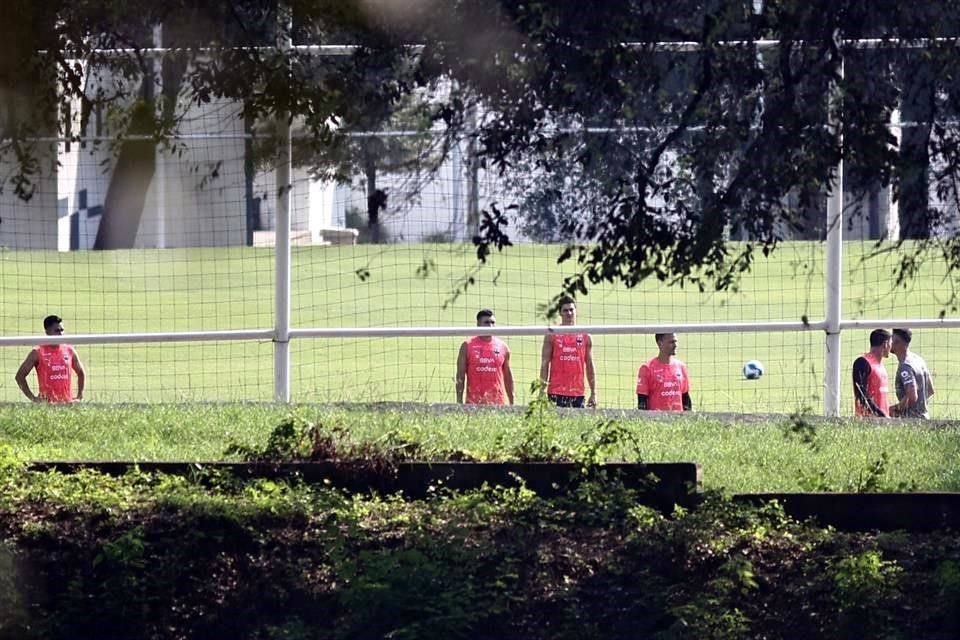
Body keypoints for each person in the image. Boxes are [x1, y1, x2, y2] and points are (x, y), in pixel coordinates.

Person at [539, 296, 596, 408]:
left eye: (571, 310)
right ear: (560, 313)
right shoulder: (552, 335)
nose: (569, 313)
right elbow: (544, 364)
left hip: (577, 393)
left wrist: (594, 393)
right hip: (556, 392)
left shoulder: (585, 335)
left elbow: (590, 365)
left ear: (576, 311)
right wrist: (541, 391)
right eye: (565, 310)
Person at [15, 315, 86, 404]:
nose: (60, 334)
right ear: (47, 332)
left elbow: (81, 373)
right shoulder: (38, 352)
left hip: (67, 405)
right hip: (47, 406)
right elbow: (19, 376)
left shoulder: (69, 350)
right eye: (56, 331)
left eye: (62, 330)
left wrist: (80, 396)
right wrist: (34, 399)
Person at [456, 309, 515, 405]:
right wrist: (459, 402)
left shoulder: (503, 347)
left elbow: (508, 376)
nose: (490, 326)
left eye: (493, 322)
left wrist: (512, 402)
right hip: (473, 403)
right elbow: (460, 376)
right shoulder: (467, 346)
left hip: (498, 404)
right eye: (486, 323)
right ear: (478, 324)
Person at [636, 332, 692, 411]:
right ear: (660, 343)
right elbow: (642, 401)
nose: (675, 345)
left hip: (679, 420)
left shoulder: (681, 367)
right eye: (671, 342)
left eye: (676, 341)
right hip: (656, 420)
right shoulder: (647, 368)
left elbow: (685, 398)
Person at [889, 328, 935, 419]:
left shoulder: (905, 366)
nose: (888, 342)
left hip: (911, 421)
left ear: (897, 341)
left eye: (890, 339)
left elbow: (911, 397)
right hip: (924, 417)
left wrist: (896, 408)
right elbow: (930, 390)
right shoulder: (918, 360)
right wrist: (919, 406)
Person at [852, 328, 891, 417]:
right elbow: (861, 395)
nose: (891, 347)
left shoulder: (880, 366)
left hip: (883, 421)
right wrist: (880, 415)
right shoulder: (863, 362)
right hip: (868, 422)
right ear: (885, 344)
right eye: (890, 343)